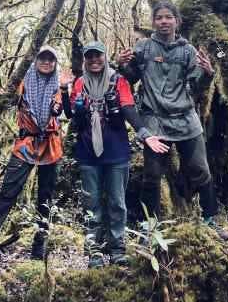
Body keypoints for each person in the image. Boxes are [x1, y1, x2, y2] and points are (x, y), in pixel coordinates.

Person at [115, 0, 228, 240]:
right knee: (152, 175)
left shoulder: (187, 51)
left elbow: (197, 87)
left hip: (186, 119)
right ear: (153, 22)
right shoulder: (144, 47)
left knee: (200, 170)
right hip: (155, 119)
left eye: (169, 17)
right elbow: (133, 77)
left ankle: (211, 221)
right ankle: (150, 228)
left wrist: (208, 74)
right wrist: (123, 65)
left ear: (177, 21)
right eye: (159, 18)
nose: (164, 21)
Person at [64, 40, 165, 267]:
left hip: (116, 152)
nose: (94, 60)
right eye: (89, 57)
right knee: (91, 204)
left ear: (105, 56)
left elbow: (129, 108)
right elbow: (74, 117)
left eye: (98, 56)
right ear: (85, 60)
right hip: (88, 152)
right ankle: (95, 252)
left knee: (117, 203)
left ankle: (118, 249)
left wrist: (144, 133)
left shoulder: (118, 81)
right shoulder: (80, 83)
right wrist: (75, 105)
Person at [0, 45, 70, 263]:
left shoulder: (60, 85)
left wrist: (61, 96)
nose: (46, 62)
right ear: (35, 61)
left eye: (50, 59)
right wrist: (3, 97)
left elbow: (61, 109)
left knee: (46, 198)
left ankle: (38, 250)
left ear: (55, 63)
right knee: (6, 194)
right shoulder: (23, 81)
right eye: (42, 58)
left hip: (51, 145)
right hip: (26, 143)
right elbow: (8, 99)